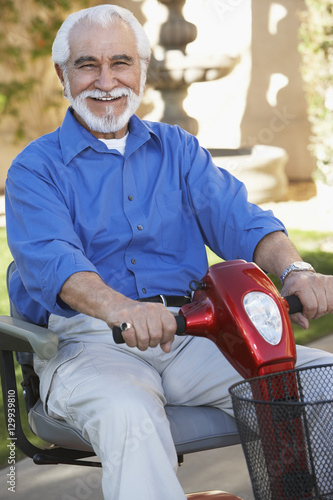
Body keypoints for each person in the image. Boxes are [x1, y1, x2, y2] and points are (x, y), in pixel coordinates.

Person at [5, 5, 333, 500]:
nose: (107, 80)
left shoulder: (178, 148)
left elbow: (240, 218)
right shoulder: (35, 170)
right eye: (87, 64)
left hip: (193, 336)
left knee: (321, 385)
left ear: (141, 67)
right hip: (88, 343)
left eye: (121, 62)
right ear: (62, 75)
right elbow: (57, 263)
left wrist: (296, 269)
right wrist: (125, 309)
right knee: (129, 413)